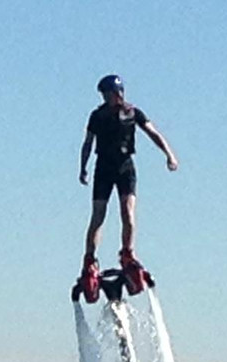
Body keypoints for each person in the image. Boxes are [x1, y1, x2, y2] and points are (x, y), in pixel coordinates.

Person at [74, 74, 178, 302]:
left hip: (125, 167)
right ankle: (89, 259)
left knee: (127, 212)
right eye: (107, 94)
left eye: (112, 93)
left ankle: (128, 254)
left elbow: (153, 133)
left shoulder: (133, 113)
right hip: (103, 167)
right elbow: (88, 143)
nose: (111, 97)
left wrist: (169, 155)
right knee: (98, 216)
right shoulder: (98, 115)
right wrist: (83, 167)